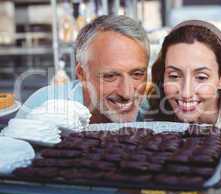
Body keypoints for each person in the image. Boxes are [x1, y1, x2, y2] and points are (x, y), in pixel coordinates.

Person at [16, 15, 150, 123]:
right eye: (110, 76)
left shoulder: (151, 114)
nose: (126, 93)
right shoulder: (42, 108)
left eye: (137, 74)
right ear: (82, 73)